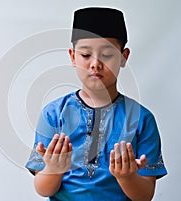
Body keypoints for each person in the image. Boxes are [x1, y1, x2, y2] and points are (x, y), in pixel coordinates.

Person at [25, 7, 167, 201]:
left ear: (124, 57)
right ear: (72, 56)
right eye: (85, 55)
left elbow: (145, 195)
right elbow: (43, 189)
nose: (95, 64)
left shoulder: (142, 119)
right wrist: (53, 169)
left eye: (107, 55)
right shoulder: (53, 114)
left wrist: (127, 177)